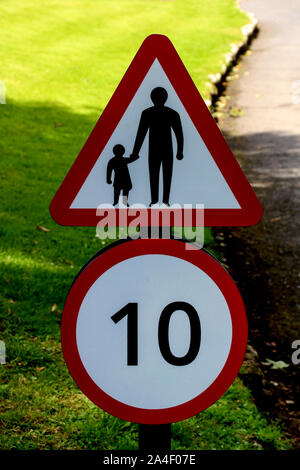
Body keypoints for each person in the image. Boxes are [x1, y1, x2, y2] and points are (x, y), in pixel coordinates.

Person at [131, 87, 184, 206]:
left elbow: (140, 135)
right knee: (166, 174)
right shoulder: (172, 113)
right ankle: (163, 201)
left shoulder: (148, 113)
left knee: (155, 174)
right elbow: (179, 135)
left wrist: (135, 153)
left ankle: (157, 201)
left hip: (155, 149)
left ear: (152, 98)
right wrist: (179, 151)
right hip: (166, 149)